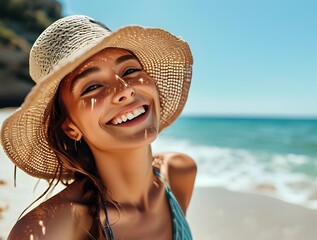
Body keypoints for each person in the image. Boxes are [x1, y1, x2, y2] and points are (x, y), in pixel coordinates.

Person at [1, 15, 196, 240]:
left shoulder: (180, 172)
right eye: (92, 86)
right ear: (70, 127)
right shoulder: (48, 230)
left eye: (130, 71)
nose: (125, 90)